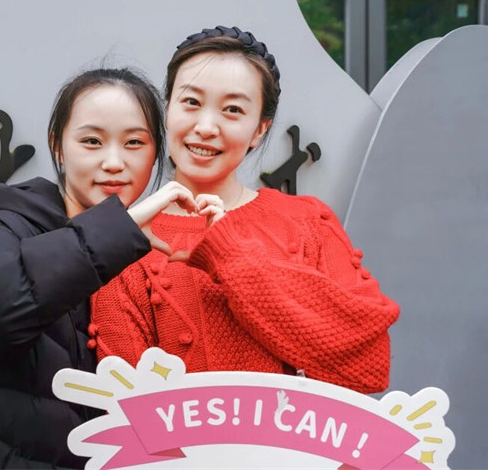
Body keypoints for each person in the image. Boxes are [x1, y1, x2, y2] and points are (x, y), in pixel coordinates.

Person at [90, 26, 400, 394]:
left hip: (297, 436)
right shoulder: (128, 240)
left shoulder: (308, 222)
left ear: (259, 130)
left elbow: (368, 370)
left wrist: (231, 256)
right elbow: (125, 401)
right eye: (191, 102)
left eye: (233, 110)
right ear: (168, 110)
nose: (206, 127)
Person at [0, 68, 198, 469]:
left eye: (134, 143)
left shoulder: (151, 254)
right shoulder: (9, 222)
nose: (114, 162)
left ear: (156, 152)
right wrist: (114, 234)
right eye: (91, 141)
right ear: (57, 145)